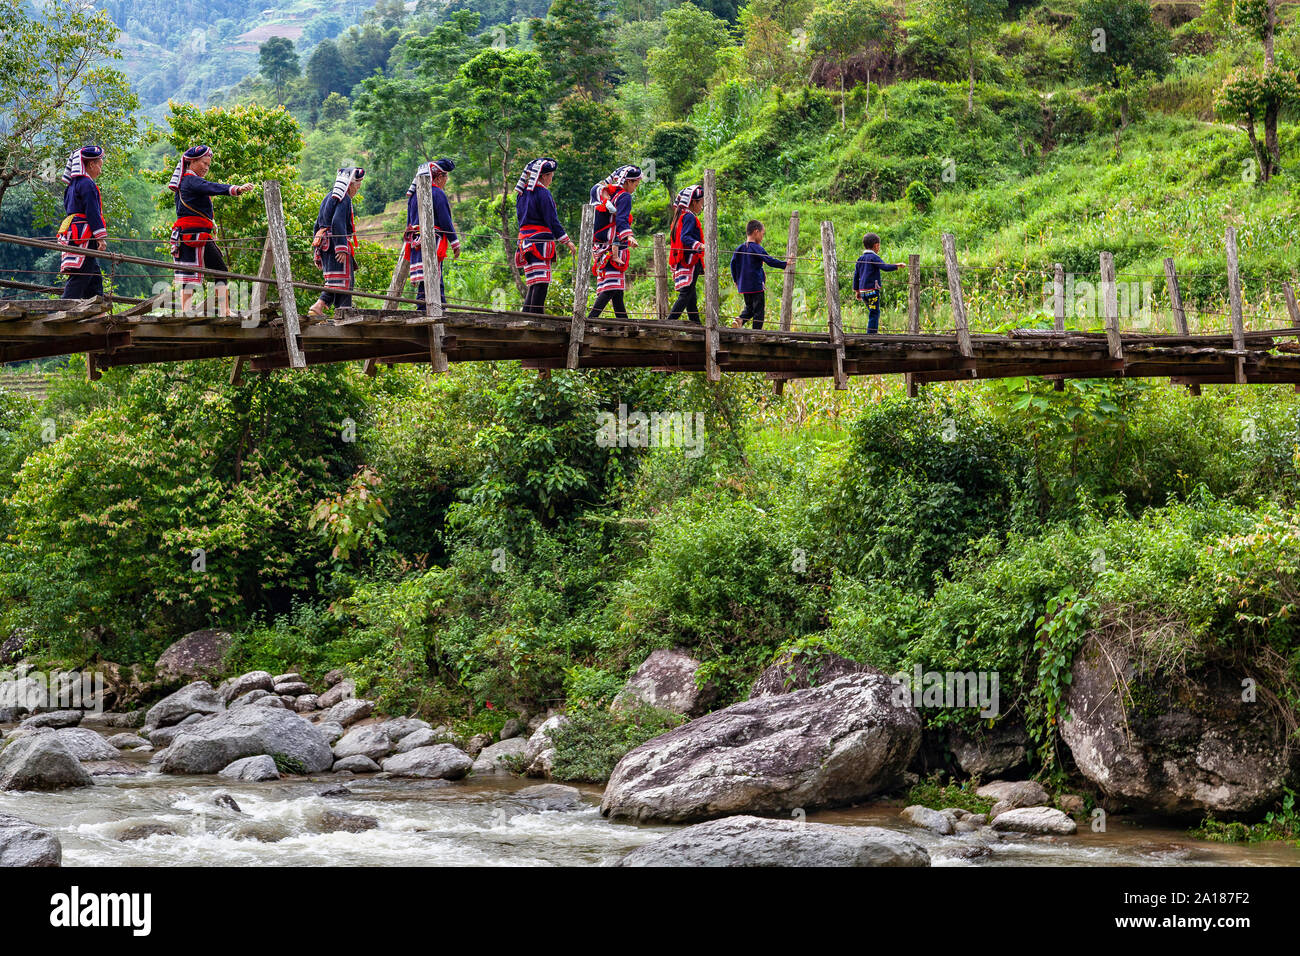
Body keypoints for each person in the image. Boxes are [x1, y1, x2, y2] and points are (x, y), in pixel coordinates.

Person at [168, 145, 256, 316]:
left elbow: (207, 186)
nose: (207, 168)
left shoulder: (188, 181)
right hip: (192, 234)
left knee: (215, 270)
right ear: (192, 161)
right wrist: (235, 189)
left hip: (197, 234)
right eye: (204, 163)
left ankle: (222, 309)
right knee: (200, 273)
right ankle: (209, 310)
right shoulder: (190, 180)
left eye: (209, 165)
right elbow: (211, 187)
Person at [514, 158, 574, 314]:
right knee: (541, 282)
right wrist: (566, 241)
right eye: (551, 176)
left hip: (525, 242)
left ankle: (527, 315)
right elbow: (552, 220)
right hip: (540, 244)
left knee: (534, 282)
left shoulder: (521, 193)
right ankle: (537, 318)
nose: (551, 179)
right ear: (544, 176)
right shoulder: (543, 193)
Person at [587, 164, 641, 321]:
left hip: (602, 247)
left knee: (616, 291)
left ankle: (623, 322)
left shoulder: (612, 196)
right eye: (635, 184)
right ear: (628, 182)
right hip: (613, 247)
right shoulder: (624, 196)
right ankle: (590, 320)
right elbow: (622, 219)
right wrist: (629, 236)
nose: (635, 188)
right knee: (611, 289)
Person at [402, 158, 460, 306]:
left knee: (426, 279)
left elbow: (409, 222)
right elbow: (445, 220)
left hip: (415, 242)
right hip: (431, 241)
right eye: (446, 177)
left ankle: (424, 306)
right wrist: (455, 243)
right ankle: (436, 307)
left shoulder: (413, 196)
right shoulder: (437, 193)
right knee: (434, 276)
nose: (446, 180)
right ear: (439, 177)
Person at [308, 166, 364, 317]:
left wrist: (316, 252)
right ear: (351, 184)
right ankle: (322, 307)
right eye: (357, 186)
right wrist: (342, 248)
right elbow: (338, 222)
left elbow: (317, 225)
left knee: (335, 281)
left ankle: (336, 312)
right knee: (344, 282)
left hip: (325, 245)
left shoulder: (328, 197)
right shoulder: (344, 198)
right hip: (335, 245)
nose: (357, 189)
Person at [57, 146, 108, 300]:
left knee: (94, 276)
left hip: (73, 232)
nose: (100, 169)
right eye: (100, 165)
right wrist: (100, 237)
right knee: (81, 274)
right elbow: (92, 212)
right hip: (84, 234)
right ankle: (63, 310)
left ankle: (96, 308)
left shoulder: (71, 185)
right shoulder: (87, 184)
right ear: (91, 164)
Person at [729, 219, 786, 330]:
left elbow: (733, 264)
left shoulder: (739, 248)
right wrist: (785, 264)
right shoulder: (756, 248)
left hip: (744, 285)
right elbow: (769, 260)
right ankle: (756, 333)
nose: (762, 237)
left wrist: (736, 280)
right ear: (756, 232)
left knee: (750, 308)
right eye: (762, 234)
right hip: (755, 284)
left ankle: (740, 320)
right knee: (759, 311)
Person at [666, 184, 705, 323]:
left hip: (682, 261)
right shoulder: (689, 217)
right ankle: (669, 323)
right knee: (686, 294)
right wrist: (700, 246)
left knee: (690, 297)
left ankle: (697, 326)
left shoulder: (680, 217)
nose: (701, 206)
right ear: (693, 202)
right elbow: (685, 237)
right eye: (701, 203)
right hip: (689, 261)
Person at [853, 232, 904, 334]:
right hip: (872, 291)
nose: (879, 247)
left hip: (863, 292)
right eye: (879, 245)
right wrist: (896, 265)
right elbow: (884, 267)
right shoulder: (874, 257)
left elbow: (856, 276)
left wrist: (857, 291)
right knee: (874, 313)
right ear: (876, 245)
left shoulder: (860, 259)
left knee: (872, 312)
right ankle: (871, 335)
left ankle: (871, 333)